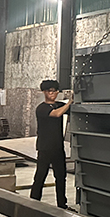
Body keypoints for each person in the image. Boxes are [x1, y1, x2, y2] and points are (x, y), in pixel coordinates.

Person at [32, 79, 73, 210]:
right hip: (45, 148)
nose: (53, 94)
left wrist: (73, 98)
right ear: (44, 92)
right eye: (50, 91)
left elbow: (68, 109)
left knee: (61, 177)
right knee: (40, 176)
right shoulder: (41, 108)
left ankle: (62, 204)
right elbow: (57, 114)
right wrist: (69, 102)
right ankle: (33, 202)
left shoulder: (59, 105)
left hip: (58, 147)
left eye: (55, 91)